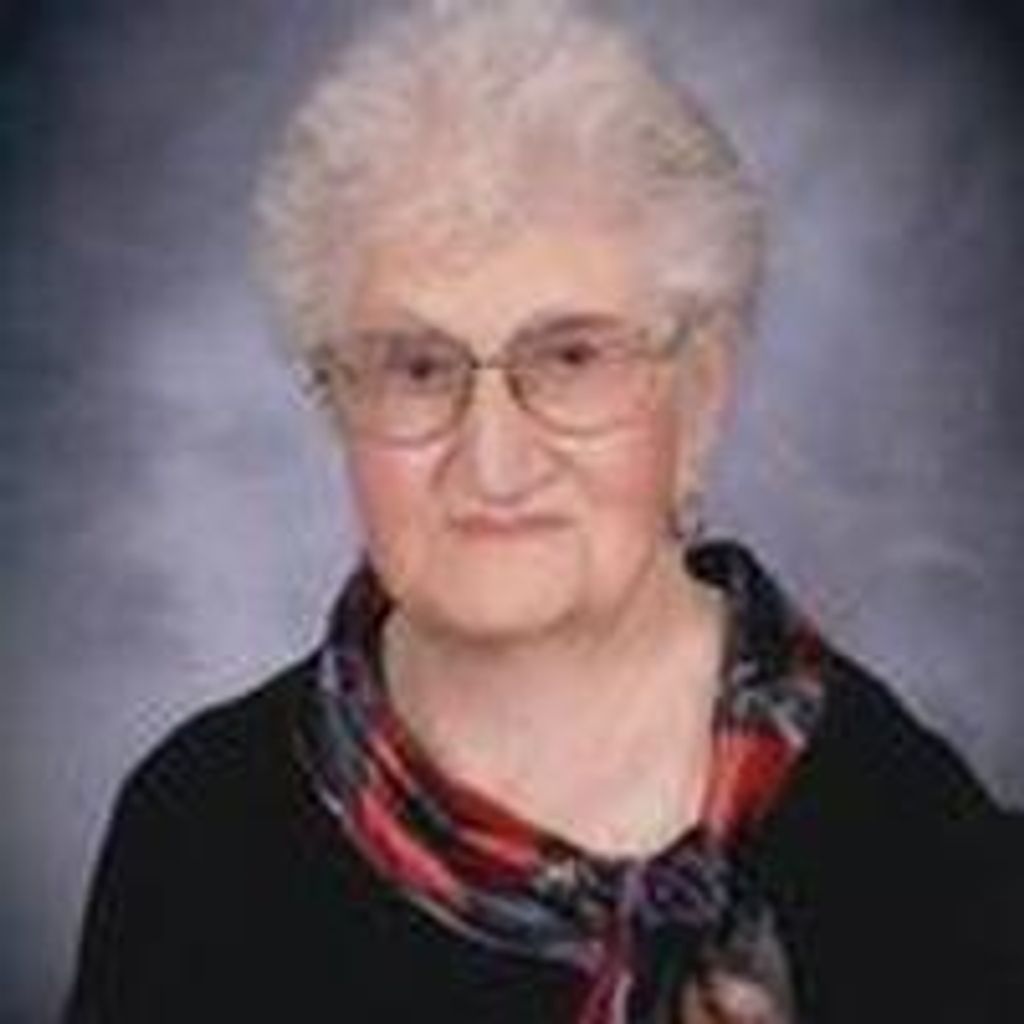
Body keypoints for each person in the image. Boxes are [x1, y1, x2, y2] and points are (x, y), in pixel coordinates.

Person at [62, 2, 1022, 1022]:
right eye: (415, 366)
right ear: (337, 399)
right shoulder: (198, 829)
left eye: (570, 357)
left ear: (699, 396)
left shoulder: (918, 854)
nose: (494, 460)